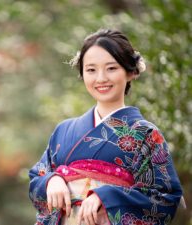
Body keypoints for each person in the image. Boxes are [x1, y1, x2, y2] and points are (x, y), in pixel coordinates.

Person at [28, 29, 184, 225]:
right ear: (82, 74)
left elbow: (165, 198)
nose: (101, 78)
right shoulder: (63, 130)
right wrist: (51, 181)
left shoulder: (146, 134)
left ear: (131, 72)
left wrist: (107, 197)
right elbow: (36, 178)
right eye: (91, 70)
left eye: (111, 68)